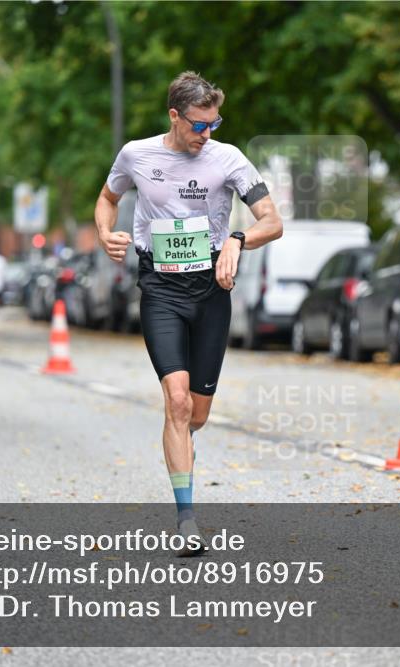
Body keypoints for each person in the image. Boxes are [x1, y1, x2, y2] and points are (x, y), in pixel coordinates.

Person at [95, 71, 282, 554]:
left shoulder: (229, 158)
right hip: (159, 287)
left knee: (195, 414)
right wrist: (104, 232)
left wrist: (237, 241)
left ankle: (182, 443)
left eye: (214, 124)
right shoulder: (137, 155)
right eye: (199, 126)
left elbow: (273, 221)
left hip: (210, 292)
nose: (207, 135)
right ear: (174, 117)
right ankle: (186, 519)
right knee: (175, 402)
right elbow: (108, 198)